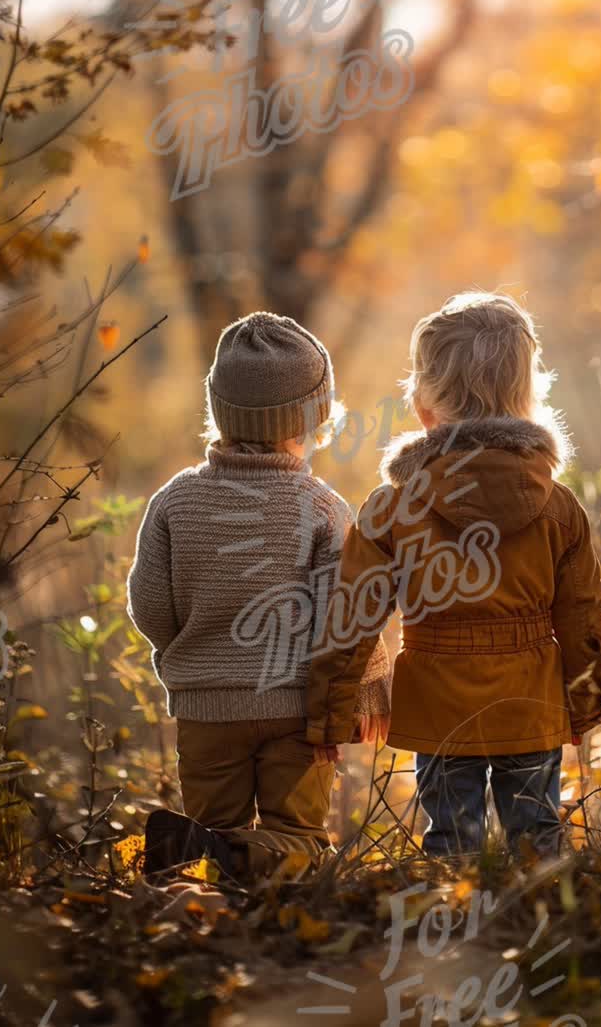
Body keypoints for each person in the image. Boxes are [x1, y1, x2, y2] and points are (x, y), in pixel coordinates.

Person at [305, 291, 601, 857]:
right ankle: (544, 930)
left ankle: (446, 933)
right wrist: (582, 701)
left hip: (438, 701)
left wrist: (332, 714)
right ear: (529, 400)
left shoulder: (393, 507)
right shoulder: (558, 506)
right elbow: (583, 615)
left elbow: (352, 617)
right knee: (537, 838)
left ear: (424, 407)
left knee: (451, 841)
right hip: (532, 699)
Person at [127, 311, 390, 876]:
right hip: (294, 708)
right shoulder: (320, 506)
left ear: (218, 408)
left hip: (206, 707)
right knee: (297, 836)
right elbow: (349, 614)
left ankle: (202, 878)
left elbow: (149, 605)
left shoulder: (174, 502)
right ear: (313, 417)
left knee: (211, 836)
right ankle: (257, 869)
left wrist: (188, 654)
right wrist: (366, 688)